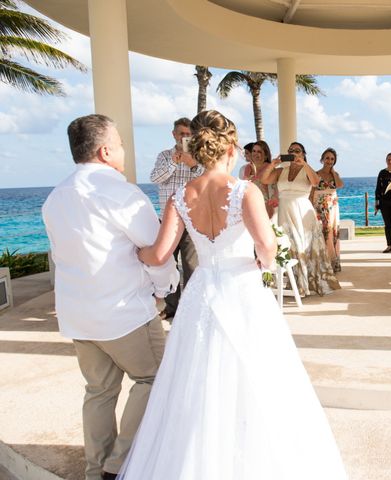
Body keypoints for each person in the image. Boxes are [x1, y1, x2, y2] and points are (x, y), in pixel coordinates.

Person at [118, 111, 348, 480]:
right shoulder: (245, 191)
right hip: (242, 290)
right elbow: (267, 247)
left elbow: (159, 255)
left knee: (196, 379)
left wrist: (134, 254)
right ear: (230, 147)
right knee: (258, 375)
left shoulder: (180, 196)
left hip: (201, 292)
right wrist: (262, 261)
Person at [42, 114, 179, 480]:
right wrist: (164, 291)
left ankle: (95, 468)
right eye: (119, 144)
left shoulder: (56, 197)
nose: (123, 151)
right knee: (154, 380)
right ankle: (118, 465)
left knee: (99, 391)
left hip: (77, 314)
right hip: (123, 312)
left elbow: (61, 255)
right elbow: (156, 250)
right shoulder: (119, 190)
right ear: (105, 151)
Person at [261, 142, 341, 296]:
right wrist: (272, 164)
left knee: (301, 246)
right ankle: (295, 284)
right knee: (289, 247)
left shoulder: (307, 170)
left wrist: (303, 164)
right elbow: (264, 180)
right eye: (291, 150)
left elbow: (316, 182)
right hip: (284, 212)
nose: (294, 153)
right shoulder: (281, 171)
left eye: (297, 150)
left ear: (303, 154)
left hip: (302, 213)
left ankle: (304, 285)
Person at [149, 117, 203, 320]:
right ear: (174, 134)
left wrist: (192, 165)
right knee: (167, 265)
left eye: (189, 134)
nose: (185, 138)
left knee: (192, 264)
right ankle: (171, 306)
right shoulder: (164, 156)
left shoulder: (199, 157)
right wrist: (174, 162)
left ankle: (191, 308)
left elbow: (205, 181)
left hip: (192, 219)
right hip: (168, 220)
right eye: (182, 134)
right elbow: (156, 178)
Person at [312, 147, 344, 272]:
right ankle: (324, 264)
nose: (329, 161)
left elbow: (340, 185)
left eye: (332, 159)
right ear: (322, 159)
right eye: (327, 158)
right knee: (323, 233)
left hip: (333, 208)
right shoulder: (316, 174)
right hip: (320, 206)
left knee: (333, 233)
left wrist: (333, 172)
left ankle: (333, 263)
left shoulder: (335, 175)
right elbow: (312, 191)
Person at [245, 140, 278, 218]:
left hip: (265, 206)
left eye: (259, 152)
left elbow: (272, 191)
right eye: (254, 151)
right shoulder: (248, 167)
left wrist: (269, 211)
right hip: (250, 204)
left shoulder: (269, 168)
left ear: (266, 155)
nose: (255, 154)